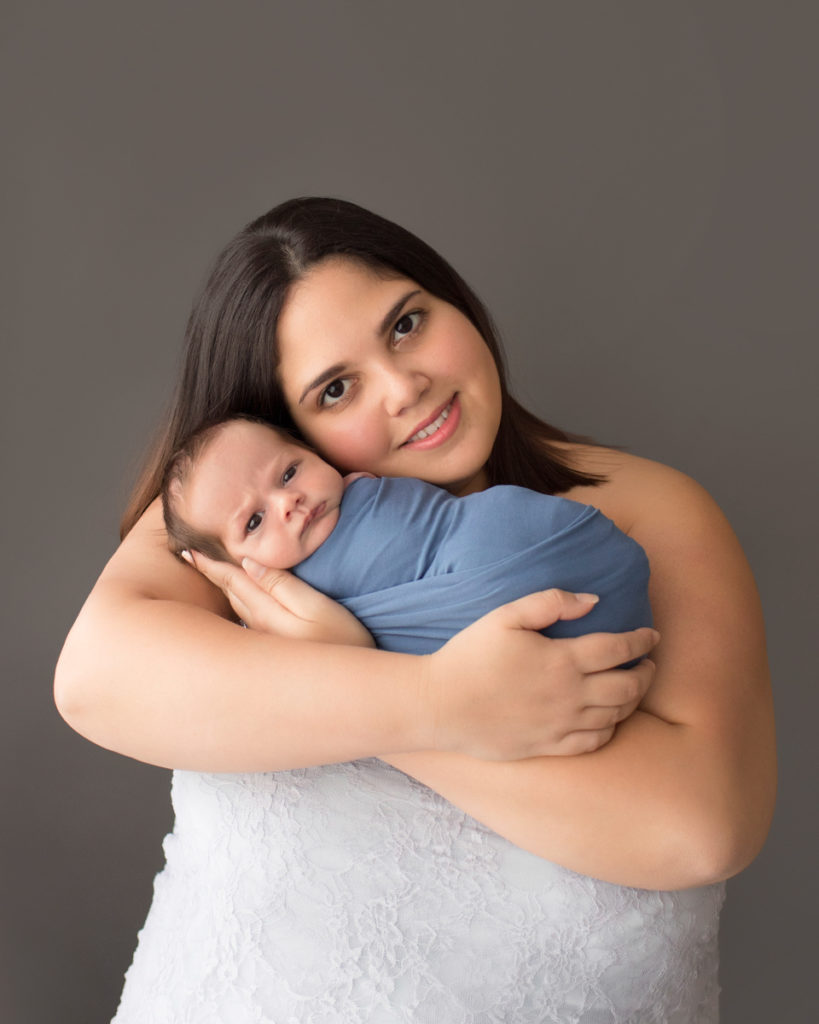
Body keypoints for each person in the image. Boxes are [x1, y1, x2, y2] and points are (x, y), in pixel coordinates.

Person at [54, 197, 775, 1022]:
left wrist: (368, 677)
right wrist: (439, 700)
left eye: (404, 325)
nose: (404, 387)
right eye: (334, 389)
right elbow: (94, 681)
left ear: (450, 297)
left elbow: (700, 829)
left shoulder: (642, 509)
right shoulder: (246, 505)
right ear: (281, 427)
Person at [160, 415, 653, 655]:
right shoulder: (293, 606)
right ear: (236, 569)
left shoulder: (358, 480)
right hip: (477, 604)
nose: (287, 503)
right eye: (254, 521)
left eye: (289, 473)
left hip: (538, 537)